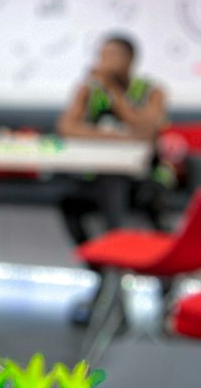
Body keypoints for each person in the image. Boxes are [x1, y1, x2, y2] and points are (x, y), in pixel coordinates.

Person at [56, 34, 168, 246]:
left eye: (111, 55)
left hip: (143, 179)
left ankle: (119, 262)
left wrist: (112, 91)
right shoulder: (89, 90)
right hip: (95, 175)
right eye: (101, 55)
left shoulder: (152, 91)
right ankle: (102, 269)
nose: (103, 61)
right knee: (70, 202)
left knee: (115, 185)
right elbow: (66, 127)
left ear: (130, 59)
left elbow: (145, 130)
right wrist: (117, 137)